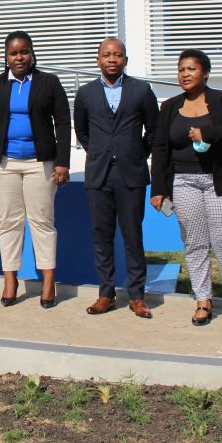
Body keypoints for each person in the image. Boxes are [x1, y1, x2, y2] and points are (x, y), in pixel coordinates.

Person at [150, 49, 222, 327]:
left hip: (221, 181)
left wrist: (208, 132)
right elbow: (160, 148)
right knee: (194, 243)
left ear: (205, 73)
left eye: (191, 69)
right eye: (181, 69)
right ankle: (203, 300)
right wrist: (158, 188)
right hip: (183, 182)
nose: (185, 74)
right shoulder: (170, 107)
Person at [0, 31, 71, 309]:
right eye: (13, 53)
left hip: (41, 163)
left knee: (42, 222)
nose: (19, 57)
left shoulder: (49, 82)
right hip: (3, 164)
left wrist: (62, 161)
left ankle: (48, 282)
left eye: (24, 52)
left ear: (32, 53)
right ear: (6, 56)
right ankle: (10, 280)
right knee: (8, 222)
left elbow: (63, 123)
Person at [74, 38, 158, 319]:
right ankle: (106, 294)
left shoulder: (141, 90)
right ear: (98, 59)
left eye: (118, 55)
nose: (112, 59)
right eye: (107, 55)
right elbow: (82, 131)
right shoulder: (85, 93)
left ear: (125, 60)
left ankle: (137, 296)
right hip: (99, 175)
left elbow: (153, 130)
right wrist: (99, 152)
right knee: (102, 237)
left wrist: (136, 153)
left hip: (130, 174)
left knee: (133, 236)